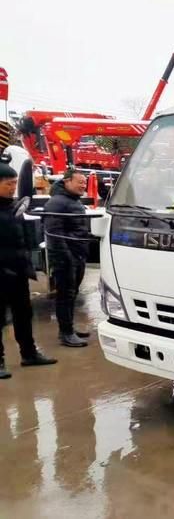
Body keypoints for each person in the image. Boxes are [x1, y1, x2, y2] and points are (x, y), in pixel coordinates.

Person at [0, 157, 57, 378]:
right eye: (8, 184)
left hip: (18, 272)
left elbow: (23, 238)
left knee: (24, 314)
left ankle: (29, 353)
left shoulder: (14, 207)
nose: (13, 187)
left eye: (15, 183)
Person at [44, 169, 91, 347]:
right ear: (66, 182)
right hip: (66, 258)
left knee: (72, 294)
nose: (83, 185)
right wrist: (67, 259)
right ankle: (66, 333)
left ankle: (69, 328)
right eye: (79, 182)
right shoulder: (57, 203)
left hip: (77, 255)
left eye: (84, 182)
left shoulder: (72, 201)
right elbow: (54, 234)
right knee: (65, 295)